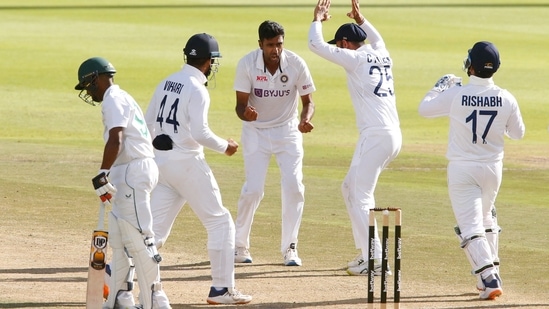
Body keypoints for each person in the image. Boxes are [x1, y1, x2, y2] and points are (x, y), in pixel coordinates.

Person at [144, 33, 252, 305]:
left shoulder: (167, 80)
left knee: (152, 233)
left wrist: (159, 142)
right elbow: (200, 133)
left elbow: (147, 124)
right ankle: (221, 289)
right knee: (220, 222)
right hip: (188, 164)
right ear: (208, 63)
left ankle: (120, 278)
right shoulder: (197, 89)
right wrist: (224, 146)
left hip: (162, 164)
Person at [418, 41, 525, 300]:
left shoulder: (456, 94)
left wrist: (440, 86)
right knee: (486, 219)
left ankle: (489, 278)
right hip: (493, 168)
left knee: (470, 226)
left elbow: (425, 109)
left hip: (463, 168)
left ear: (470, 66)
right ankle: (487, 275)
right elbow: (517, 134)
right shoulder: (506, 96)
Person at [308, 0, 402, 276]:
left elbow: (316, 45)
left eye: (339, 44)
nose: (337, 49)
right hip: (390, 134)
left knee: (360, 196)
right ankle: (366, 254)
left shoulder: (356, 58)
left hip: (375, 135)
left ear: (346, 43)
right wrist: (363, 21)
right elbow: (379, 39)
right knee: (349, 189)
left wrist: (317, 19)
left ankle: (376, 260)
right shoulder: (381, 53)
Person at [74, 57, 171, 309]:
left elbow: (116, 138)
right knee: (120, 241)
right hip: (129, 171)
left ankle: (154, 301)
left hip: (131, 172)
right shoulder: (122, 97)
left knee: (140, 240)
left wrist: (102, 172)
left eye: (87, 84)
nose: (87, 90)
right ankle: (119, 298)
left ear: (96, 78)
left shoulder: (113, 99)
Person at [233, 20, 316, 266]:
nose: (275, 50)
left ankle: (290, 248)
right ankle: (239, 246)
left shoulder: (296, 63)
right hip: (255, 131)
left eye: (279, 44)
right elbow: (239, 105)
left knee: (294, 187)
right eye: (270, 45)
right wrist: (245, 113)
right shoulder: (247, 64)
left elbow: (308, 101)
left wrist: (305, 119)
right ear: (260, 44)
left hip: (287, 131)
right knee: (254, 190)